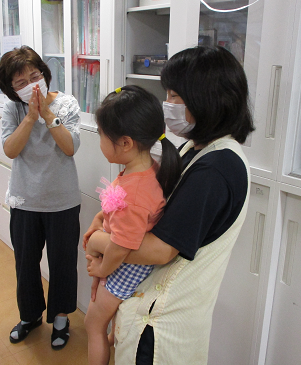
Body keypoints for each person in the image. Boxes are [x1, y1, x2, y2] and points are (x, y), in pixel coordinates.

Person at [84, 45, 255, 364]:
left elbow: (162, 249)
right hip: (146, 307)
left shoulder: (216, 170)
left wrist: (96, 239)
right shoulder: (197, 148)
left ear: (206, 99)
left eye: (175, 96)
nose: (167, 104)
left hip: (159, 329)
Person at [83, 85, 182, 365]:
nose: (99, 140)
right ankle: (113, 343)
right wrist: (98, 221)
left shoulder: (135, 195)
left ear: (125, 143)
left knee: (93, 325)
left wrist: (102, 268)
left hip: (124, 268)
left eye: (102, 135)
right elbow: (116, 220)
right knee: (106, 326)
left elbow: (122, 245)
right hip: (121, 261)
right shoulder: (143, 169)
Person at [0, 45, 81, 350]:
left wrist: (46, 114)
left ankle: (60, 318)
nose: (31, 85)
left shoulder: (67, 103)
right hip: (24, 200)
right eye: (21, 83)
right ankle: (30, 316)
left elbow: (70, 147)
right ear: (10, 89)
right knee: (26, 264)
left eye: (35, 76)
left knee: (62, 263)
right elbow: (10, 149)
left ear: (44, 74)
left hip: (63, 201)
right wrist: (30, 118)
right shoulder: (12, 109)